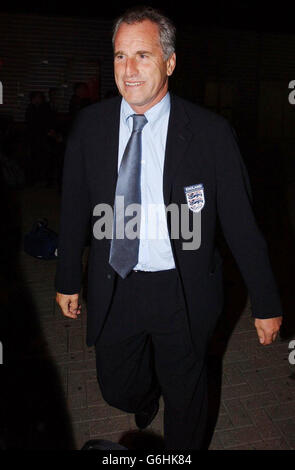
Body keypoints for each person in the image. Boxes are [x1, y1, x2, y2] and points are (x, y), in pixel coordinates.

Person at [55, 6, 283, 450]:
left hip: (184, 288)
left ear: (170, 62)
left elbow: (241, 224)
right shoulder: (91, 126)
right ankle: (146, 392)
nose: (129, 69)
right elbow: (74, 208)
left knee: (187, 398)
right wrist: (67, 279)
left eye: (143, 55)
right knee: (116, 387)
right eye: (120, 56)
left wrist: (267, 301)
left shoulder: (210, 133)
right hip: (116, 283)